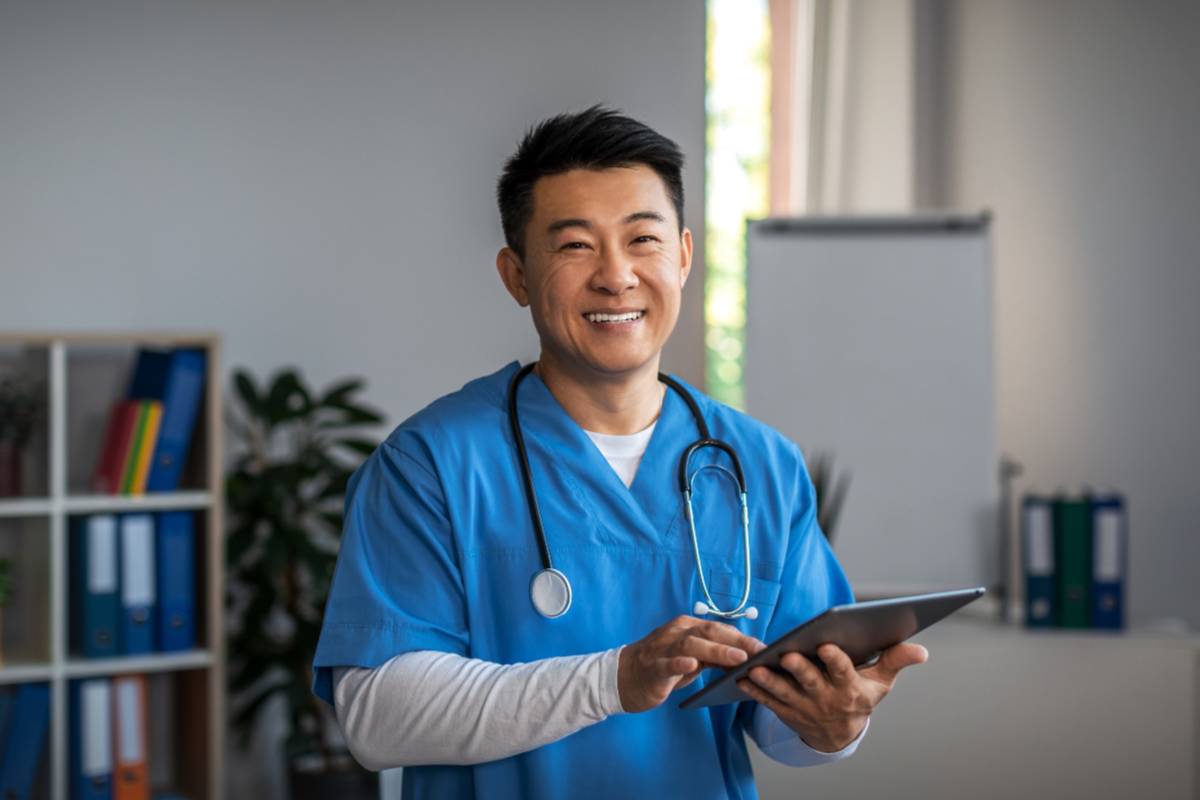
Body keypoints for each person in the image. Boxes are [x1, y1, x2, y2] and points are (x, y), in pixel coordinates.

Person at [311, 105, 927, 799]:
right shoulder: (430, 465)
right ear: (516, 275)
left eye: (643, 240)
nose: (616, 276)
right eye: (575, 246)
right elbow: (376, 719)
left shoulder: (760, 465)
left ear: (685, 257)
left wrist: (834, 726)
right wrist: (613, 680)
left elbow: (777, 721)